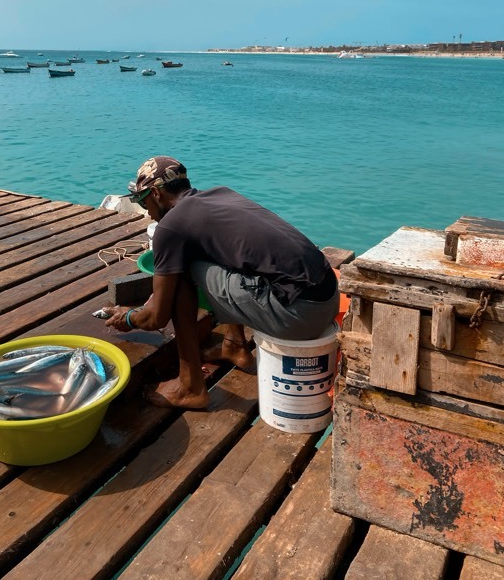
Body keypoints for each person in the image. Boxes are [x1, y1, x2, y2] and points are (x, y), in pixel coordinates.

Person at [104, 156, 339, 410]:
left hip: (297, 315)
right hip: (328, 300)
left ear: (157, 193)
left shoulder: (170, 228)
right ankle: (235, 345)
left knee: (181, 272)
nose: (145, 209)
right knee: (209, 252)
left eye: (142, 200)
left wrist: (128, 318)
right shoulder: (219, 196)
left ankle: (190, 386)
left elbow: (155, 319)